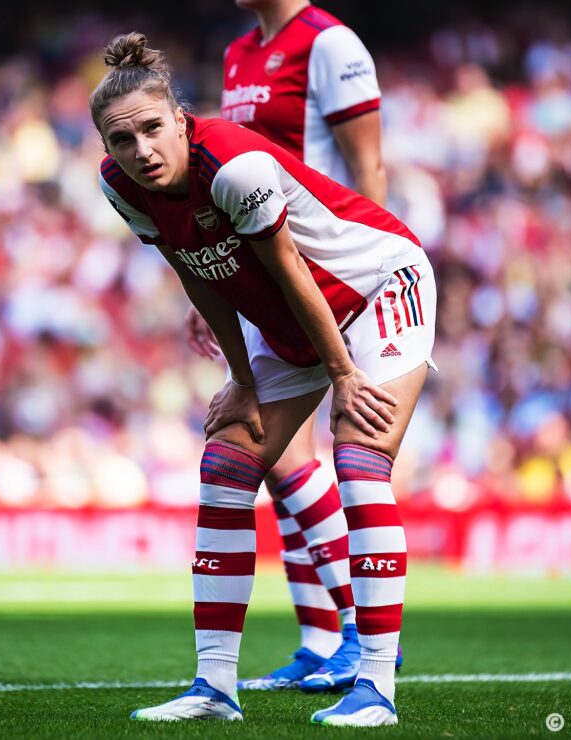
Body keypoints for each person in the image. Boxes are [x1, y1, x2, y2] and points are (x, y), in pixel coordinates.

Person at [91, 32, 435, 727]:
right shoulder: (119, 186)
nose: (142, 151)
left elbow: (291, 272)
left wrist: (343, 373)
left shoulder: (234, 167)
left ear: (182, 120)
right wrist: (242, 380)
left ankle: (375, 686)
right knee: (225, 465)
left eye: (153, 129)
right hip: (291, 321)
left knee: (359, 459)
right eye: (122, 140)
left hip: (373, 291)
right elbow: (199, 272)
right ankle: (215, 685)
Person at [186, 0, 390, 693]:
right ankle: (322, 639)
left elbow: (370, 170)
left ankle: (359, 635)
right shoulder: (239, 52)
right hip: (258, 273)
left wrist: (363, 275)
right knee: (273, 462)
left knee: (286, 449)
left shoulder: (329, 44)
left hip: (320, 270)